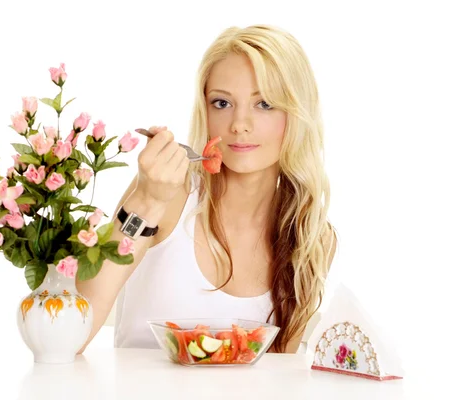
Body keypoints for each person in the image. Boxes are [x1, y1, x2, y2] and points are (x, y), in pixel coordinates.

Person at [76, 24, 338, 354]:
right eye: (222, 103)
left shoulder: (311, 236)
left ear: (298, 114)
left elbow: (280, 376)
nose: (239, 124)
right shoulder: (171, 196)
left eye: (265, 104)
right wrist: (145, 202)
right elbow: (72, 333)